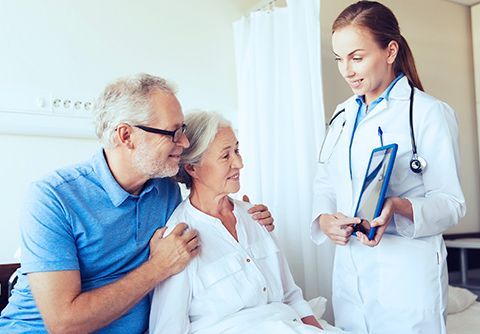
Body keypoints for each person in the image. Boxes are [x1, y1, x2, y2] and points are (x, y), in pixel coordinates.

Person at [0, 74, 274, 333]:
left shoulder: (164, 189)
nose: (185, 141)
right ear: (126, 136)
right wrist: (157, 267)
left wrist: (241, 214)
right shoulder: (52, 198)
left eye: (184, 130)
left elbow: (205, 189)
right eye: (173, 133)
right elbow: (64, 324)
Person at [311, 1, 466, 333]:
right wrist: (324, 219)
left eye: (357, 57)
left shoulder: (428, 113)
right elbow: (325, 182)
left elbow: (452, 204)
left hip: (407, 275)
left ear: (390, 51)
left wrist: (398, 207)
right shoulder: (342, 115)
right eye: (340, 59)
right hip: (351, 274)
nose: (347, 71)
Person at [149, 111, 346, 334]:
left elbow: (292, 295)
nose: (239, 163)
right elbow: (167, 328)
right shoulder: (178, 240)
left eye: (237, 151)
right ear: (192, 168)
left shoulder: (255, 217)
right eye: (226, 156)